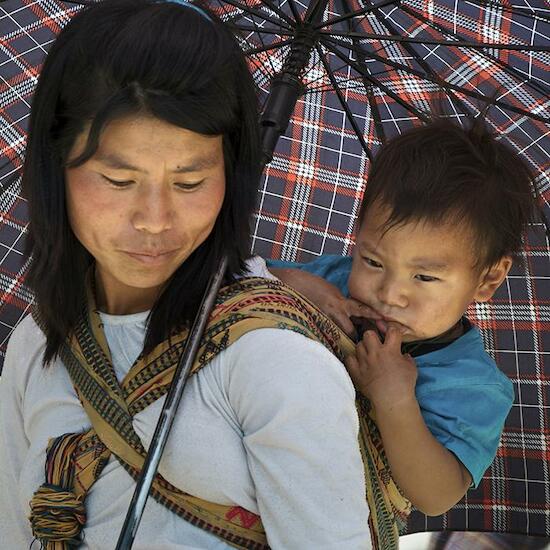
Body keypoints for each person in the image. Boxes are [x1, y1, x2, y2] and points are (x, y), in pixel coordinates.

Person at [0, 1, 401, 548]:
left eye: (190, 183)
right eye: (118, 179)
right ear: (55, 165)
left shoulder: (272, 361)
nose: (154, 220)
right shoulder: (35, 343)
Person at [268, 118, 539, 516]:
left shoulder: (471, 386)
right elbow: (238, 278)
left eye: (425, 276)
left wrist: (394, 400)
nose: (389, 294)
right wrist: (292, 280)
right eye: (373, 261)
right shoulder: (330, 280)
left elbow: (436, 495)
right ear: (358, 234)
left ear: (489, 277)